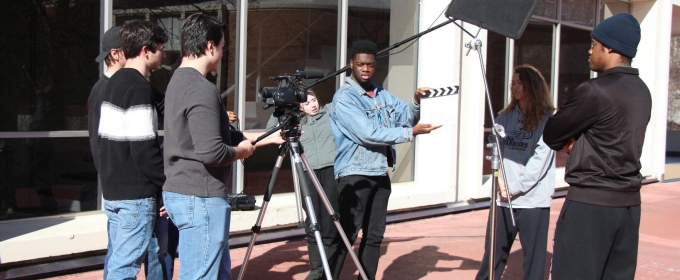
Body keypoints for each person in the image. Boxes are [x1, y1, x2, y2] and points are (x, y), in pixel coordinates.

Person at [162, 13, 283, 279]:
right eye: (223, 46)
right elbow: (211, 151)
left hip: (185, 193)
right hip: (200, 197)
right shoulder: (201, 88)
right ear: (209, 46)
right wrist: (242, 152)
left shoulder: (177, 81)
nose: (222, 52)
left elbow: (209, 136)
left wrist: (265, 137)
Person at [542, 13, 652, 279]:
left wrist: (576, 143)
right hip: (628, 207)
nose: (589, 51)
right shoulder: (642, 91)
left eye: (594, 45)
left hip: (590, 206)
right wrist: (583, 143)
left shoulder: (594, 91)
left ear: (610, 47)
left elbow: (552, 134)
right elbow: (615, 140)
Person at [327, 40, 441, 280]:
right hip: (355, 175)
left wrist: (417, 101)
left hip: (379, 174)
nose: (365, 69)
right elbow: (368, 133)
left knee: (374, 237)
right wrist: (411, 133)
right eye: (360, 64)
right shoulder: (345, 98)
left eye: (370, 65)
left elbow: (405, 117)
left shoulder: (381, 93)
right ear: (351, 65)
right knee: (347, 235)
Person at [97, 20, 168, 279]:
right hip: (135, 196)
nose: (163, 55)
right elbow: (144, 150)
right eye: (160, 49)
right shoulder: (138, 87)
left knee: (117, 263)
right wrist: (167, 183)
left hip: (115, 192)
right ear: (145, 50)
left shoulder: (115, 82)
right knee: (125, 268)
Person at [474, 65, 555, 280]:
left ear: (532, 86)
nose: (515, 87)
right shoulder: (503, 117)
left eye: (520, 83)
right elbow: (495, 153)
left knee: (534, 263)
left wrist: (515, 188)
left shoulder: (547, 120)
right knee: (492, 258)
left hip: (532, 201)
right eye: (513, 83)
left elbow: (540, 160)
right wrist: (501, 183)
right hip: (503, 199)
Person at [266, 90, 339, 280]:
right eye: (307, 103)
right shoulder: (296, 121)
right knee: (313, 221)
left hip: (331, 171)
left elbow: (344, 100)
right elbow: (270, 131)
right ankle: (316, 270)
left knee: (331, 222)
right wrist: (282, 110)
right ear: (299, 106)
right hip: (307, 172)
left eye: (314, 100)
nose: (313, 105)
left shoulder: (329, 113)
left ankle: (328, 268)